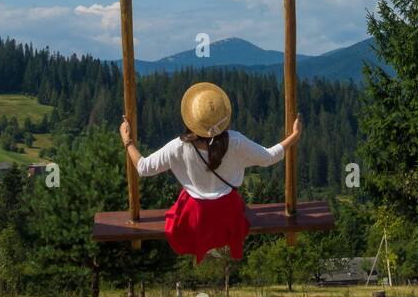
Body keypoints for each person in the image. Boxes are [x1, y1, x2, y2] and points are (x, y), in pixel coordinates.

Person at [119, 81, 302, 263]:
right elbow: (268, 157)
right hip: (228, 213)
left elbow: (143, 168)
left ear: (191, 119)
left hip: (195, 215)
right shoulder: (236, 141)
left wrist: (127, 141)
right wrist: (294, 136)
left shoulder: (179, 146)